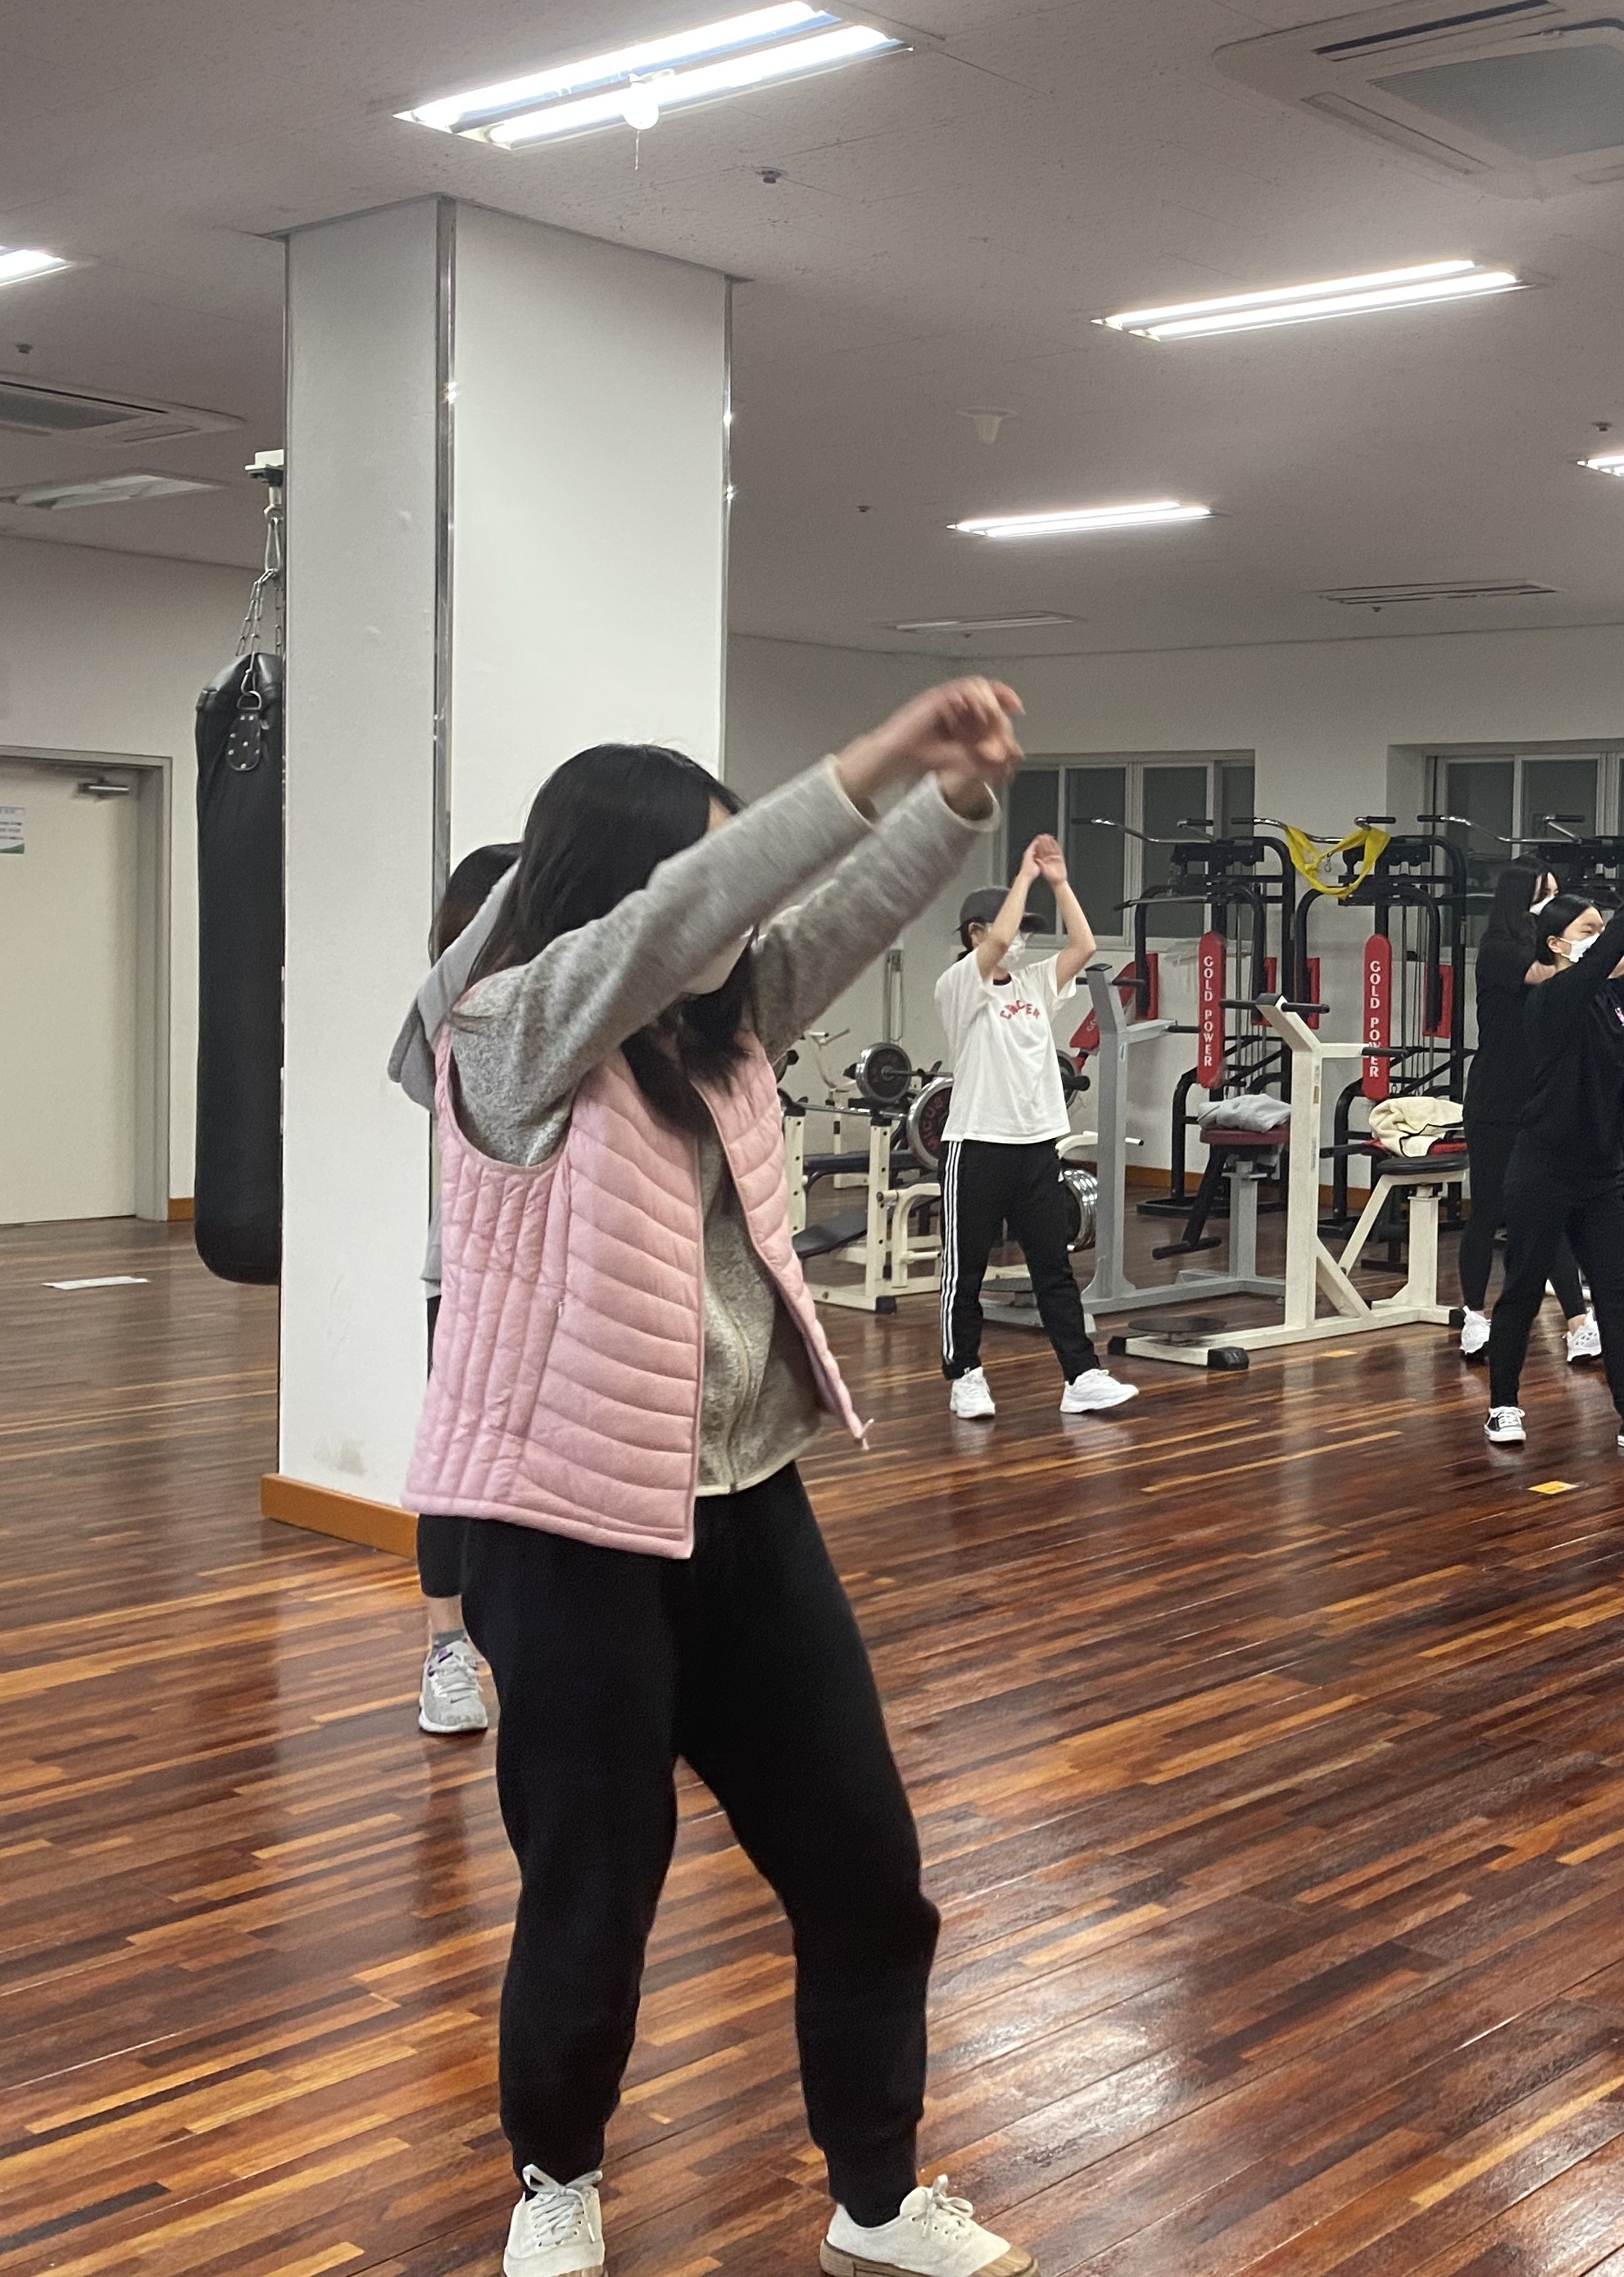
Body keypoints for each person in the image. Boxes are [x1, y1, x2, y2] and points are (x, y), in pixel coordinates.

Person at [407, 682, 1039, 2277]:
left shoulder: (722, 1030)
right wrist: (877, 753)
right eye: (704, 872)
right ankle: (556, 2175)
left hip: (744, 1505)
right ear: (622, 887)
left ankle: (875, 2199)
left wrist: (956, 801)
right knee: (595, 1892)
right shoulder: (510, 1030)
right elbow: (689, 912)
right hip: (565, 1529)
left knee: (868, 1873)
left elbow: (826, 916)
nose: (735, 918)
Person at [1482, 850, 1624, 1450]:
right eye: (1587, 932)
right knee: (1523, 1291)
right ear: (1557, 945)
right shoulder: (1552, 999)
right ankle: (1503, 1404)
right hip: (1542, 1169)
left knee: (1616, 1295)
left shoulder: (1616, 1002)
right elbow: (1610, 954)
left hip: (1600, 1173)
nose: (1600, 941)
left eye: (1599, 931)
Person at [388, 839, 522, 1735]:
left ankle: (531, 1645)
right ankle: (446, 1652)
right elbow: (436, 1001)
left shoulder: (572, 1014)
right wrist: (538, 869)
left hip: (565, 1280)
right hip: (470, 1276)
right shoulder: (454, 1025)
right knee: (458, 1464)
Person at [935, 835, 1136, 1421]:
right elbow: (999, 941)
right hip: (977, 1145)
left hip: (1036, 1147)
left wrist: (1059, 882)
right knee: (965, 1271)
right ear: (974, 933)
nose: (1019, 939)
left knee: (1054, 1268)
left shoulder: (1032, 986)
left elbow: (1085, 945)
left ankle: (1081, 1376)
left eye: (1026, 928)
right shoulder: (960, 985)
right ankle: (965, 1374)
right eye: (1013, 927)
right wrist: (1022, 878)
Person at [1458, 865, 1596, 1367]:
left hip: (1539, 1098)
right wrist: (1612, 953)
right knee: (1488, 1208)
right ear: (1522, 898)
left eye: (1558, 893)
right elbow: (1545, 974)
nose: (1553, 902)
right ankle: (1475, 1318)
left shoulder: (1548, 948)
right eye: (1547, 894)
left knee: (1546, 1208)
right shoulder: (1499, 950)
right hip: (1495, 1099)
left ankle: (1578, 1323)